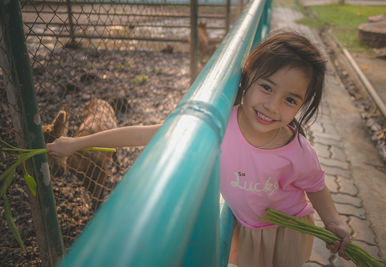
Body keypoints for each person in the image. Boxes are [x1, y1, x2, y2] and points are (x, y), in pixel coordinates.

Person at [47, 31, 350, 267]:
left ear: (301, 105)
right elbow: (147, 133)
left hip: (284, 233)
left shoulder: (296, 150)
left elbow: (316, 186)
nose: (272, 106)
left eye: (291, 100)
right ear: (246, 79)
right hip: (245, 225)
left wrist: (334, 222)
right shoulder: (220, 123)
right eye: (266, 87)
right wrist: (77, 143)